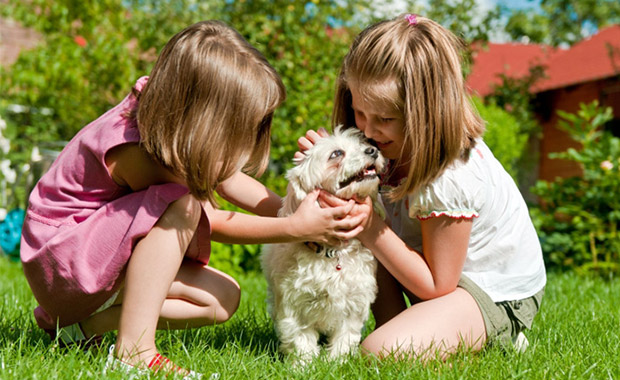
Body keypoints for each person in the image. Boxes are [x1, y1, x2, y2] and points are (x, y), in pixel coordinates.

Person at [20, 20, 367, 377]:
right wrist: (294, 227)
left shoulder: (170, 124)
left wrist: (297, 210)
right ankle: (135, 351)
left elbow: (226, 178)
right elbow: (206, 219)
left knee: (222, 299)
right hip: (63, 259)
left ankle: (78, 332)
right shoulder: (136, 150)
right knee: (184, 206)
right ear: (204, 118)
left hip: (91, 258)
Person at [297, 14, 546, 360]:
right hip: (430, 274)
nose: (368, 130)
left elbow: (437, 285)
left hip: (490, 290)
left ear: (427, 112)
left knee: (377, 352)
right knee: (388, 339)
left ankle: (498, 333)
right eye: (359, 112)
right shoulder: (387, 144)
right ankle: (408, 330)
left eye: (385, 119)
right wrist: (321, 168)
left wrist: (370, 226)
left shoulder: (451, 174)